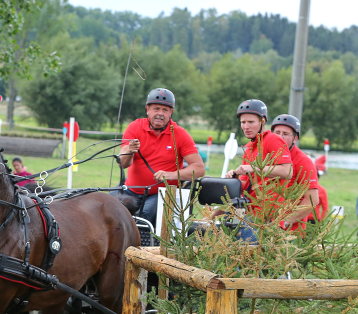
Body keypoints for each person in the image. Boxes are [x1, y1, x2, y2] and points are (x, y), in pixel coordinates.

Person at [119, 88, 205, 225]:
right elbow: (122, 163)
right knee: (110, 207)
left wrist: (170, 175)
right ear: (148, 109)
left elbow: (199, 169)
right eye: (156, 109)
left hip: (161, 193)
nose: (160, 113)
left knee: (145, 215)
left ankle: (145, 245)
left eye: (165, 110)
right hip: (131, 191)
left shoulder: (180, 134)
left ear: (171, 112)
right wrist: (129, 150)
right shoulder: (134, 127)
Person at [221, 99, 293, 241]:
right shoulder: (249, 147)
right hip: (249, 215)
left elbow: (287, 172)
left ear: (262, 121)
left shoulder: (273, 140)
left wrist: (253, 168)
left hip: (267, 217)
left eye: (251, 122)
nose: (246, 126)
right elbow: (246, 185)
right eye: (243, 122)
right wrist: (234, 177)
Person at [270, 114, 319, 230]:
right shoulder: (267, 156)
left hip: (290, 234)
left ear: (295, 138)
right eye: (277, 133)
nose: (280, 137)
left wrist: (284, 222)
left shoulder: (304, 161)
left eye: (285, 134)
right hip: (263, 225)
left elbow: (312, 200)